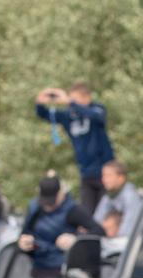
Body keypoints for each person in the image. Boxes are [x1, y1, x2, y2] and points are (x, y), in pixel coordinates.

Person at [17, 175, 106, 278]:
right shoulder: (34, 208)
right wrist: (24, 243)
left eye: (52, 202)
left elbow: (98, 231)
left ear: (61, 194)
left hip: (59, 271)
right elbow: (25, 233)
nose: (48, 206)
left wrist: (76, 239)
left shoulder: (72, 210)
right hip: (38, 269)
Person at [34, 82, 115, 213]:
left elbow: (97, 117)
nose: (71, 103)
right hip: (85, 172)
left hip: (104, 172)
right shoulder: (69, 116)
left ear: (87, 97)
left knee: (104, 212)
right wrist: (39, 103)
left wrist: (70, 102)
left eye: (75, 99)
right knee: (87, 213)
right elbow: (44, 114)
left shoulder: (97, 109)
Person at [91, 160, 143, 238]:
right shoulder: (107, 197)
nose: (104, 179)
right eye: (103, 176)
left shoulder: (131, 197)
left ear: (121, 178)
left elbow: (127, 231)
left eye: (108, 176)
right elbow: (96, 222)